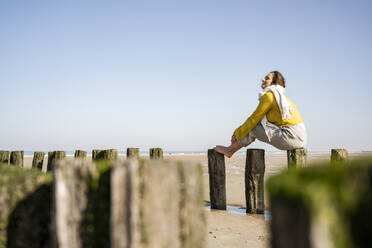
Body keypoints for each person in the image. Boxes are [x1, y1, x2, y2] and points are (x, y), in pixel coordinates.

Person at [214, 71, 307, 158]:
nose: (263, 79)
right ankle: (231, 149)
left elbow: (254, 118)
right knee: (256, 126)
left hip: (291, 135)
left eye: (267, 78)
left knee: (254, 128)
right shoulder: (282, 98)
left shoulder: (269, 96)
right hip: (299, 137)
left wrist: (237, 133)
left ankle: (230, 150)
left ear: (274, 83)